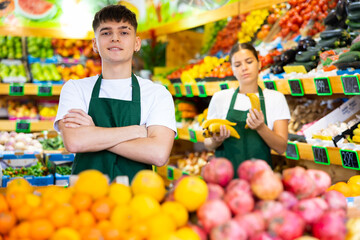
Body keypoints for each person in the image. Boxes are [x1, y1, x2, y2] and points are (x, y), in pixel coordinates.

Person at [54, 5, 176, 182]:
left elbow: (158, 154)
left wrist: (93, 133)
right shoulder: (75, 88)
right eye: (105, 33)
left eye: (124, 32)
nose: (115, 38)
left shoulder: (157, 93)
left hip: (138, 201)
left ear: (137, 43)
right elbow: (75, 142)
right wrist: (137, 131)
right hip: (85, 199)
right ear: (95, 44)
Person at [204, 42, 290, 176]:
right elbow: (208, 143)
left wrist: (261, 128)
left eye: (249, 62)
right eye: (237, 65)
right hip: (223, 178)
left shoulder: (275, 98)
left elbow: (281, 147)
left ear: (259, 64)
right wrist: (216, 140)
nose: (244, 68)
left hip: (260, 180)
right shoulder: (220, 98)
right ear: (232, 69)